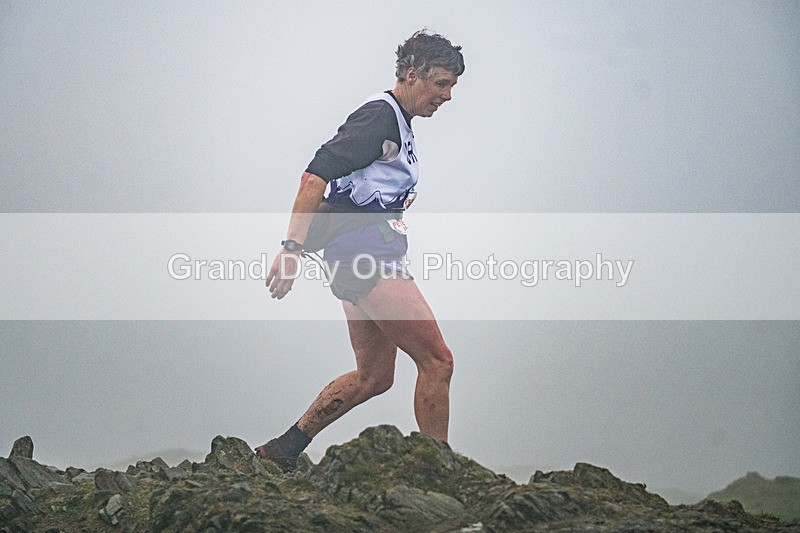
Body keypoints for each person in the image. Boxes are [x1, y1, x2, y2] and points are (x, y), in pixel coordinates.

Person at [257, 30, 465, 472]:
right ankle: (441, 472)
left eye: (451, 87)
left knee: (374, 377)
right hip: (365, 258)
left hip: (361, 255)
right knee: (437, 360)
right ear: (412, 75)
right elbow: (314, 177)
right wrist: (291, 248)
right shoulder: (379, 118)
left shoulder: (398, 124)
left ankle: (283, 449)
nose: (447, 97)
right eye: (442, 84)